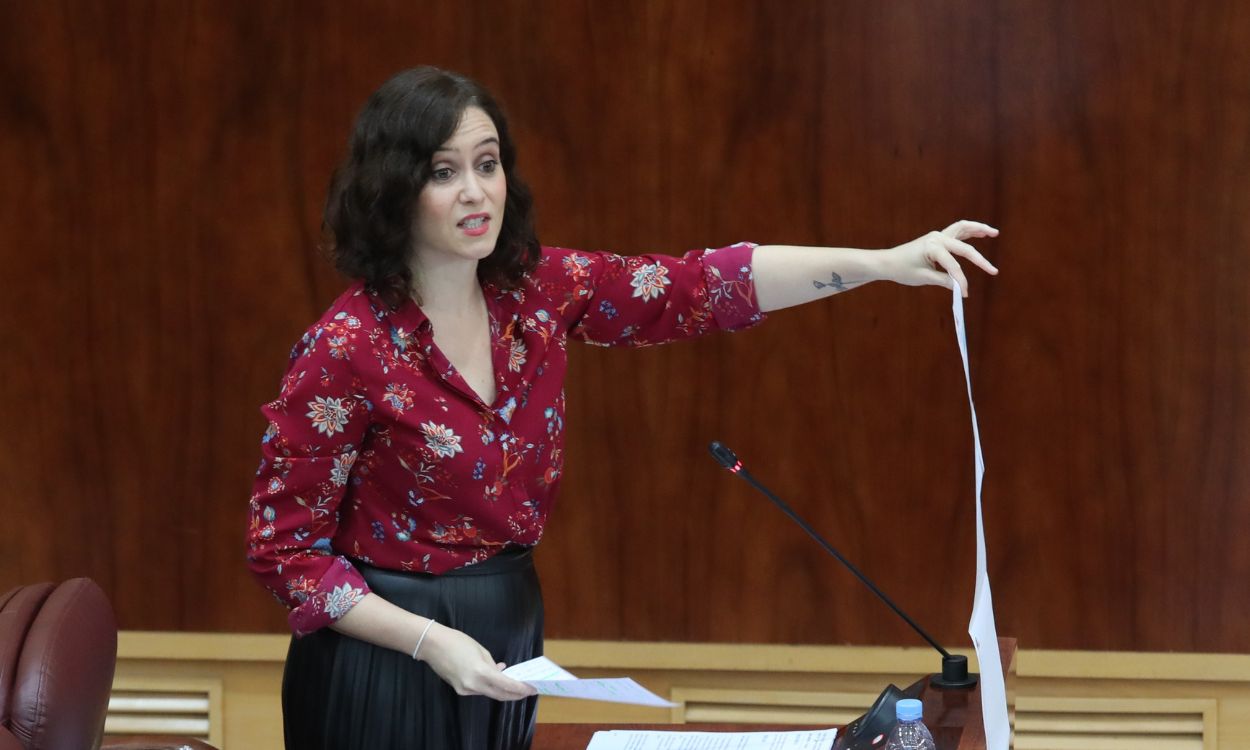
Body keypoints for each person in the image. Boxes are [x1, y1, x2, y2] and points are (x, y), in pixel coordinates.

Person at [245, 66, 998, 750]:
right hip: (381, 660)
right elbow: (286, 553)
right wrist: (427, 643)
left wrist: (884, 265)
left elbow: (703, 287)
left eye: (487, 163)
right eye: (444, 173)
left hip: (506, 624)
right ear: (394, 189)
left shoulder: (538, 292)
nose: (477, 192)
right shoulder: (346, 347)